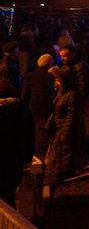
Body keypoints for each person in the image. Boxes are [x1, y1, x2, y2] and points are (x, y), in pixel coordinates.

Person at [45, 67, 88, 179]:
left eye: (58, 80)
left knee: (65, 158)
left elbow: (72, 116)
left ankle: (62, 178)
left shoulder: (73, 94)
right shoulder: (63, 92)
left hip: (66, 131)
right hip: (60, 129)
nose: (56, 82)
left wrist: (65, 134)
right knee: (59, 157)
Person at [0, 78, 35, 206]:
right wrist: (27, 160)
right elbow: (30, 137)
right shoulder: (24, 111)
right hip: (15, 162)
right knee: (9, 195)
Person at [22, 54, 55, 154]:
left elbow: (25, 93)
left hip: (35, 104)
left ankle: (38, 145)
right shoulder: (52, 75)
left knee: (37, 125)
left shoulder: (30, 76)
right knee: (49, 125)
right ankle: (48, 144)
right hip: (49, 104)